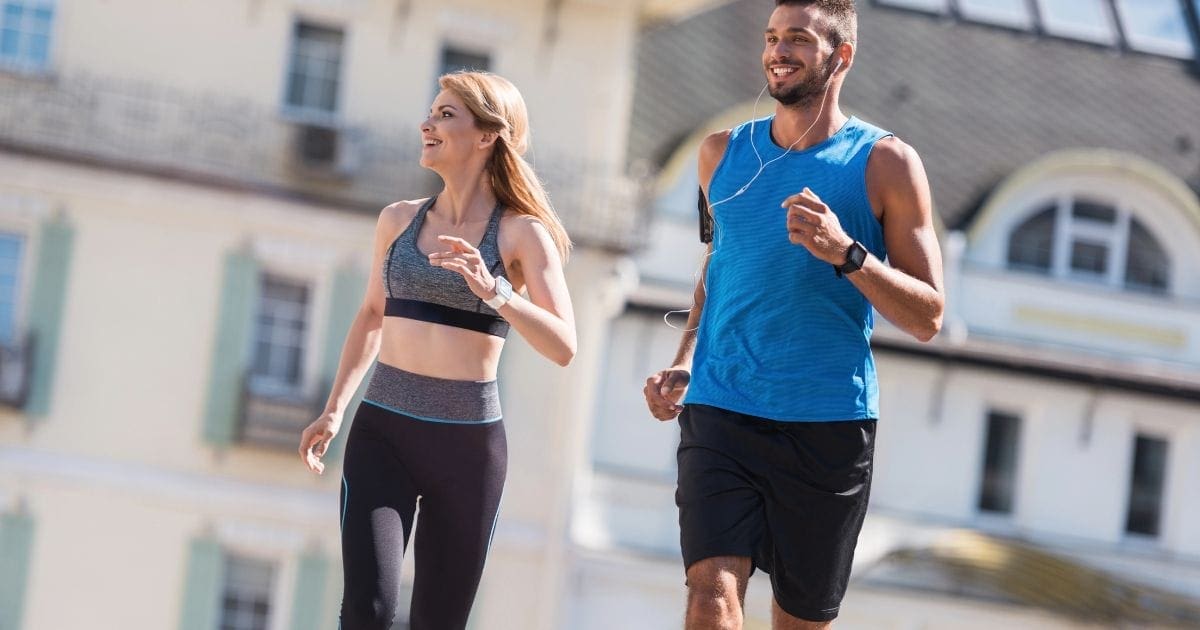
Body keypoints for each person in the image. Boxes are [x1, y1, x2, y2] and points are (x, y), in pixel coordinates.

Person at [643, 1, 944, 628]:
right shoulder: (719, 153)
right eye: (772, 37)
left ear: (841, 56)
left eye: (799, 39)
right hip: (723, 407)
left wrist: (847, 253)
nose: (778, 52)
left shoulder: (887, 162)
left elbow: (928, 316)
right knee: (709, 595)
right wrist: (686, 359)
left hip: (828, 422)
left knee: (800, 621)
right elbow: (719, 267)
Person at [298, 71, 577, 630]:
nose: (427, 124)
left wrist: (495, 291)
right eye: (431, 112)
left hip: (467, 448)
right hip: (383, 433)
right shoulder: (398, 219)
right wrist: (333, 409)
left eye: (446, 115)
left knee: (438, 622)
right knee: (367, 611)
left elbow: (564, 345)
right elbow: (372, 314)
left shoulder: (522, 233)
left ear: (487, 135)